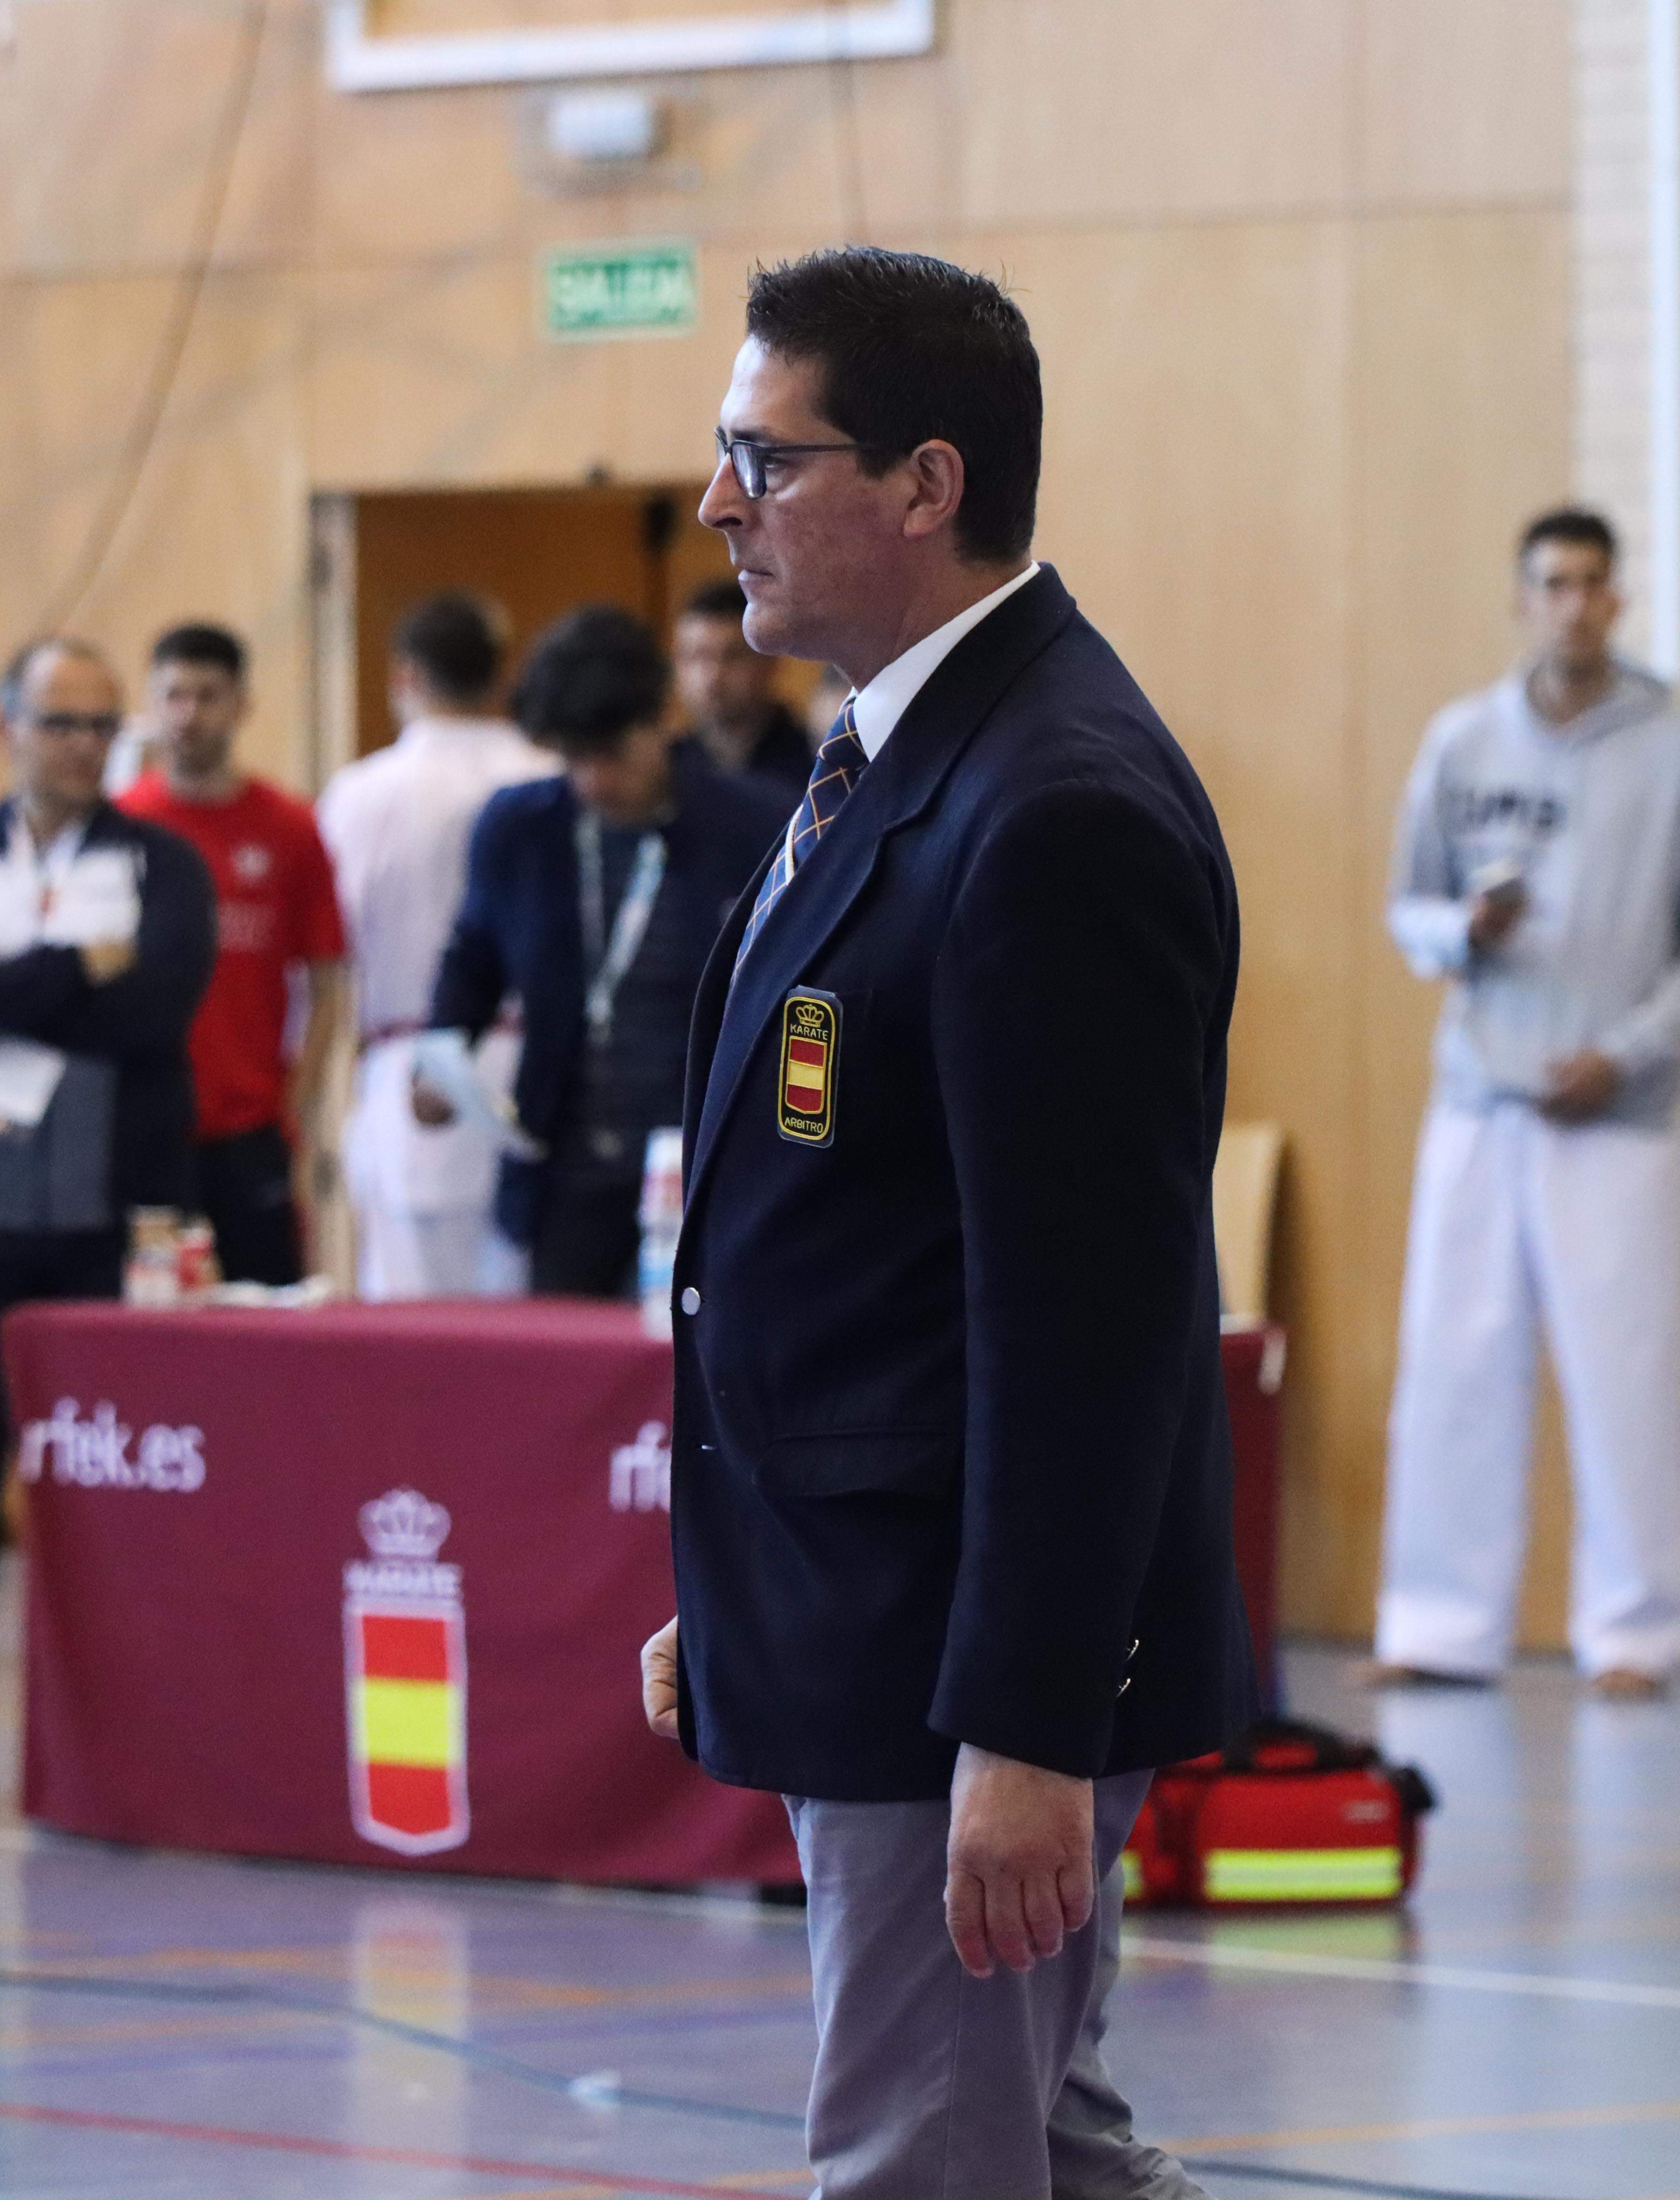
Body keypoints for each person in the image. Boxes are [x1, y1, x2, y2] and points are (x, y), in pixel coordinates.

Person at [645, 247, 1252, 2200]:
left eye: (767, 454)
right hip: (879, 1603)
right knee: (1034, 2153)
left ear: (923, 480)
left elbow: (1090, 1321)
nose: (722, 501)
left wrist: (1026, 1720)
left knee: (925, 2158)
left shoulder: (1049, 801)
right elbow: (862, 1243)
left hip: (960, 1666)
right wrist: (741, 1568)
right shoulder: (892, 758)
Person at [1369, 508, 1680, 1702]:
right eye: (1552, 583)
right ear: (1523, 597)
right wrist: (1458, 930)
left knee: (1621, 1372)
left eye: (1591, 583)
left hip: (1612, 1114)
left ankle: (1632, 1631)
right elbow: (1408, 905)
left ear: (1616, 601)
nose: (1573, 602)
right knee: (1454, 1365)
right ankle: (1438, 1624)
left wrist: (1623, 1054)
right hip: (1480, 1095)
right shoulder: (1463, 740)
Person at [0, 637, 216, 1806]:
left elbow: (156, 1004)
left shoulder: (164, 867)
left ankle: (142, 1721)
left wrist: (2, 973)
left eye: (98, 726)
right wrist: (78, 965)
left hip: (115, 1218)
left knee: (132, 1474)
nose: (80, 747)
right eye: (59, 722)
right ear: (5, 726)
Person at [422, 606, 787, 1296]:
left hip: (709, 1172)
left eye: (610, 755)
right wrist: (443, 1054)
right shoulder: (520, 828)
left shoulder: (755, 827)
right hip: (564, 1170)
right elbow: (473, 960)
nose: (592, 781)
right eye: (571, 758)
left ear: (660, 718)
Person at [316, 593, 556, 1300]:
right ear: (500, 674)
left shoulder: (365, 793)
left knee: (415, 1326)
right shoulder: (545, 776)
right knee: (530, 1322)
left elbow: (332, 948)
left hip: (413, 1065)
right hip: (538, 1066)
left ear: (404, 677)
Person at [114, 623, 347, 1285]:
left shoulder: (290, 829)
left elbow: (328, 980)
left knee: (269, 1318)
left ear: (241, 704)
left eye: (208, 696)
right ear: (153, 706)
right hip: (151, 1125)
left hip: (251, 1126)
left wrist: (297, 1104)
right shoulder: (123, 827)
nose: (189, 715)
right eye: (174, 696)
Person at [673, 575, 817, 790]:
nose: (713, 676)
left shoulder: (816, 760)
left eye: (732, 656)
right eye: (697, 656)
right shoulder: (668, 772)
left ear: (770, 661)